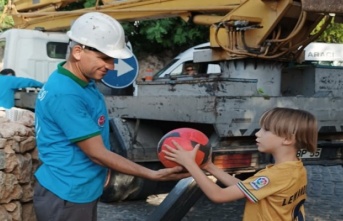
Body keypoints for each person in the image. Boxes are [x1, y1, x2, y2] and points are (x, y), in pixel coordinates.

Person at [33, 12, 188, 221]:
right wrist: (151, 174)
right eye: (105, 58)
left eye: (113, 59)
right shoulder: (66, 93)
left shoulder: (81, 81)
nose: (111, 66)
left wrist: (101, 172)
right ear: (78, 51)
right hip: (67, 194)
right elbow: (96, 153)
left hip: (77, 189)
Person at [164, 107, 318, 221]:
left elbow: (218, 195)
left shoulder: (274, 175)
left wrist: (190, 164)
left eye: (266, 130)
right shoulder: (295, 168)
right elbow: (246, 188)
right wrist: (209, 167)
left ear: (288, 139)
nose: (258, 134)